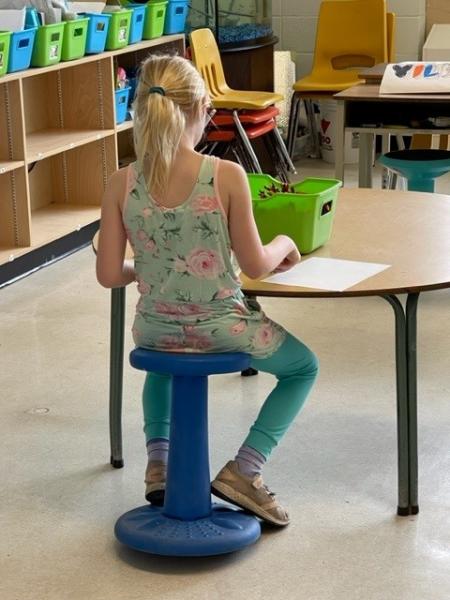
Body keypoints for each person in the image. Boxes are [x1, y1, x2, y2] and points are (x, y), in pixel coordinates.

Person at [96, 54, 318, 527]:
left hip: (153, 329)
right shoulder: (226, 175)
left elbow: (109, 275)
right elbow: (256, 265)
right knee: (303, 367)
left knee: (165, 360)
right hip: (223, 329)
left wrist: (148, 271)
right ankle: (245, 471)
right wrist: (285, 243)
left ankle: (159, 463)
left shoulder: (121, 182)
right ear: (200, 109)